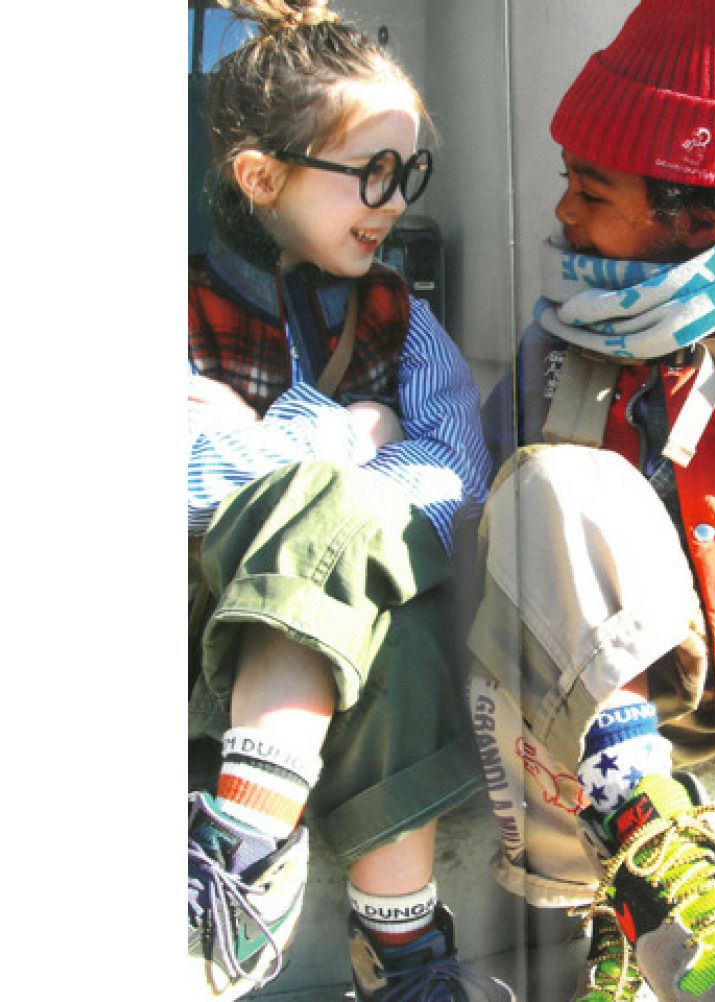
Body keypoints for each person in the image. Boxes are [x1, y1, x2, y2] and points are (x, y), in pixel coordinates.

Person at [467, 1, 715, 999]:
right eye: (566, 179)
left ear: (699, 219)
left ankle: (643, 891)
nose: (564, 212)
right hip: (591, 707)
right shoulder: (558, 345)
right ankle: (658, 882)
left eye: (591, 189)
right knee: (543, 484)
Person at [186, 3, 512, 999]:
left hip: (355, 638)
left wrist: (272, 447)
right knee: (347, 529)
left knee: (393, 617)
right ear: (261, 177)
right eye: (372, 172)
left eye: (408, 173)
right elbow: (183, 479)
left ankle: (251, 838)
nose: (394, 200)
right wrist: (352, 436)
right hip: (216, 635)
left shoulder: (398, 317)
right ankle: (402, 953)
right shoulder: (180, 305)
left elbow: (455, 473)